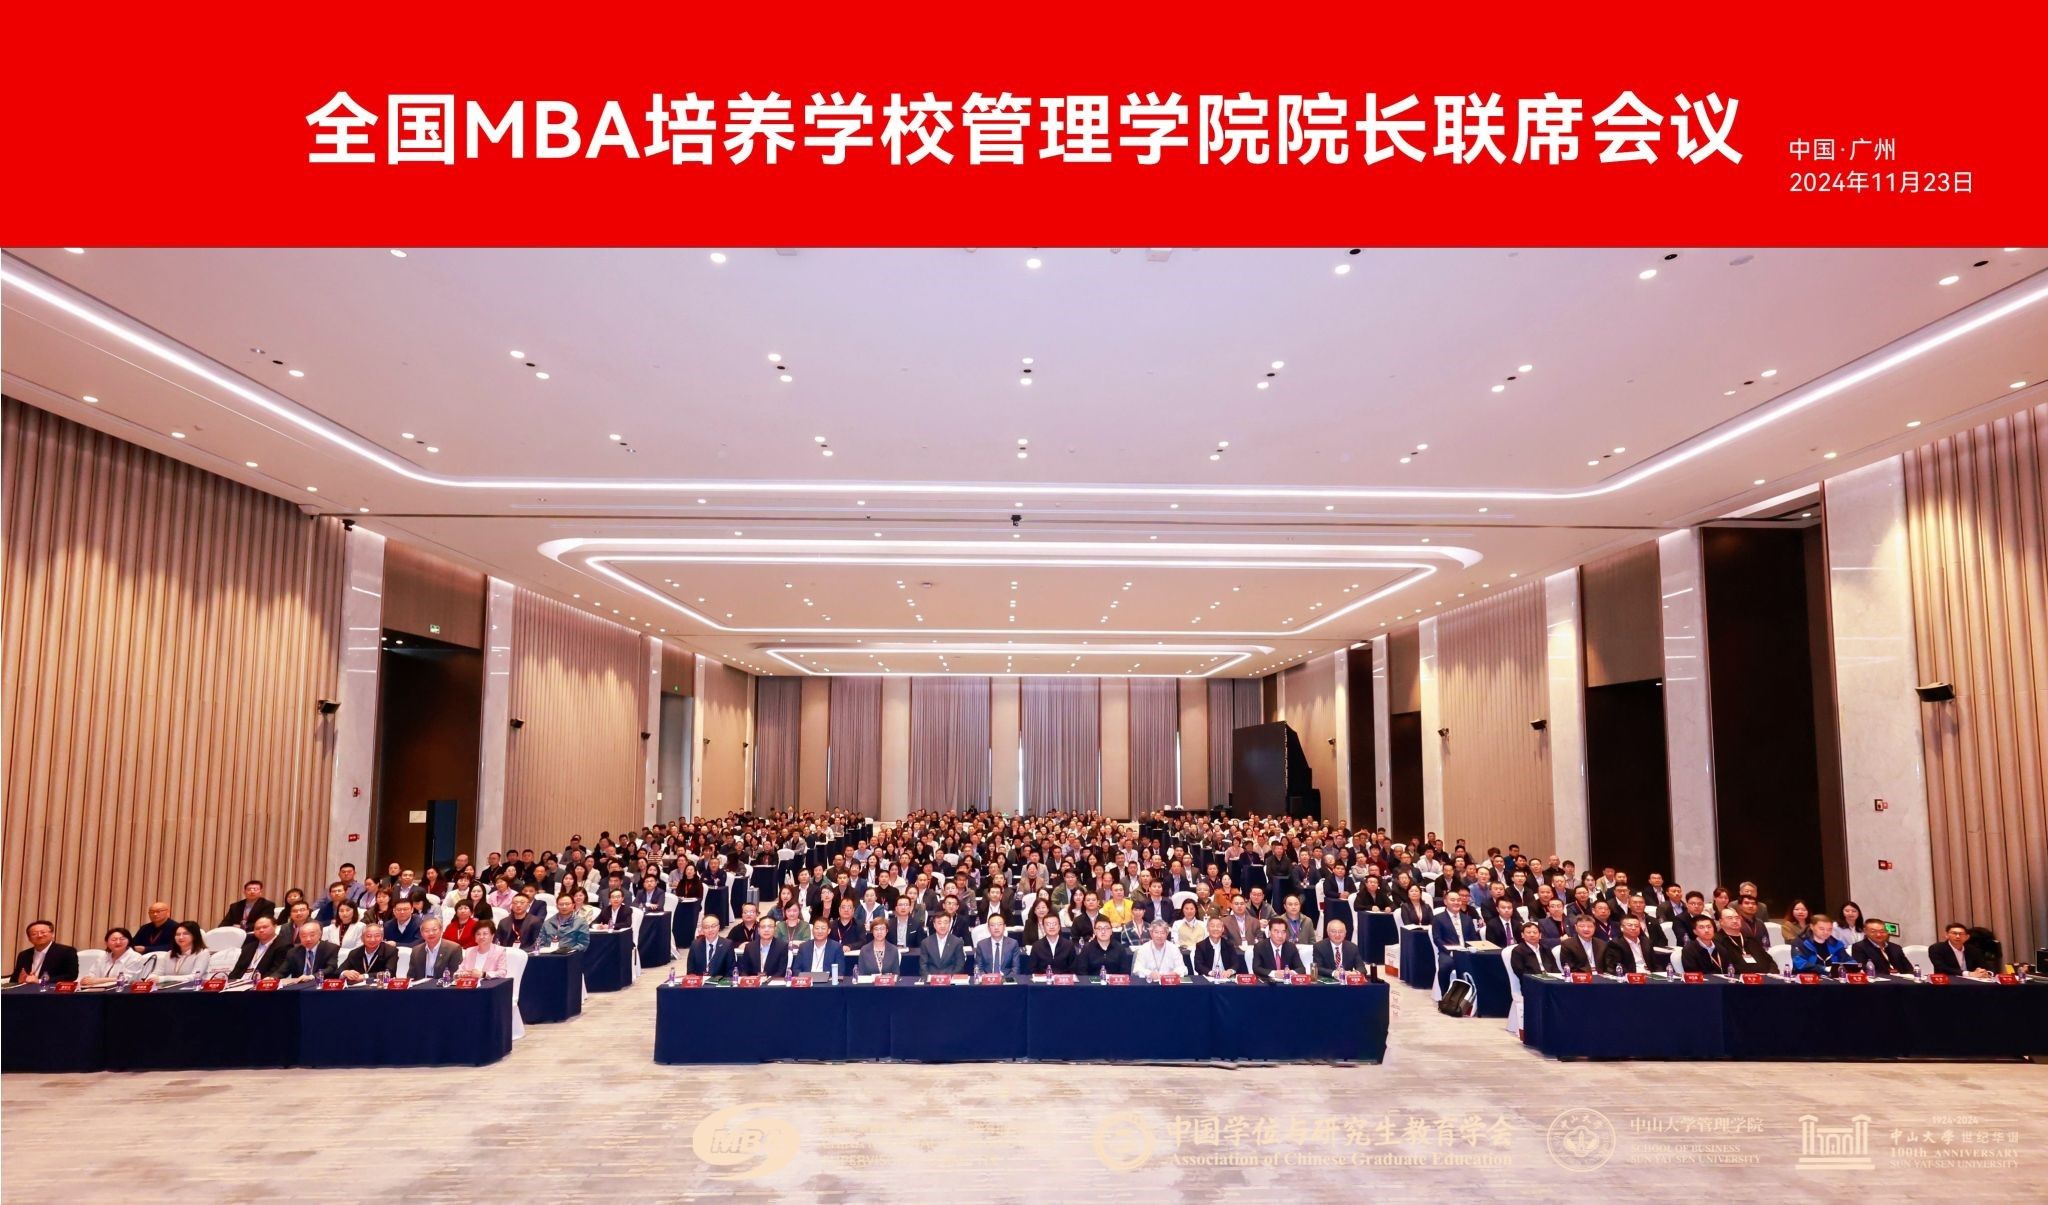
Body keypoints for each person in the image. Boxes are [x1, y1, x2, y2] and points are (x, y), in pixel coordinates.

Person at [1431, 889, 1480, 987]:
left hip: (1467, 951)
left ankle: (1473, 992)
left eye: (1458, 900)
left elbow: (1473, 937)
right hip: (1448, 952)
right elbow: (1437, 939)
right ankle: (1445, 994)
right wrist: (1450, 951)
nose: (1456, 902)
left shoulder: (1467, 918)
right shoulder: (1438, 918)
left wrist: (1476, 947)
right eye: (1452, 900)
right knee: (1445, 966)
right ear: (1445, 902)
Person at [1713, 908, 1778, 974]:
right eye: (1730, 918)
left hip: (1764, 978)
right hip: (1736, 978)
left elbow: (1770, 961)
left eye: (1737, 918)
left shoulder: (1750, 939)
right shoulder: (1717, 941)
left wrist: (1771, 975)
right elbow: (1724, 966)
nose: (1735, 921)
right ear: (1721, 921)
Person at [79, 927, 152, 986]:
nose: (118, 942)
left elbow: (126, 979)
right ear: (106, 943)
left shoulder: (135, 957)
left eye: (122, 939)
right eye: (113, 940)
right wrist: (87, 980)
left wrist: (98, 980)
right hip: (99, 992)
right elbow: (92, 974)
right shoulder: (104, 957)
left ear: (128, 941)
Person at [1600, 915, 1666, 974]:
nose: (1634, 928)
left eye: (1637, 926)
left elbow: (1655, 963)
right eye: (1630, 925)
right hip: (1631, 975)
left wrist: (1660, 974)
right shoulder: (1616, 944)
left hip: (1649, 974)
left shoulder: (1646, 942)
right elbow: (1615, 966)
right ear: (1622, 928)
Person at [1928, 921, 1996, 978]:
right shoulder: (1936, 949)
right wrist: (1969, 974)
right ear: (1946, 935)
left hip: (1972, 982)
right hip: (1948, 982)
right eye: (1954, 933)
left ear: (1967, 937)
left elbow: (1984, 966)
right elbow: (1942, 968)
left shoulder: (1973, 950)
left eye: (1961, 934)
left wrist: (1986, 973)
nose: (1958, 936)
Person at [1850, 918, 1914, 977]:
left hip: (1902, 981)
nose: (1879, 934)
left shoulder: (1896, 947)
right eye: (1873, 931)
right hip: (1879, 982)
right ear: (1865, 931)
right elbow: (1864, 970)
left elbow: (1909, 969)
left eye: (1882, 931)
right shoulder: (1859, 947)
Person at [1253, 917, 1307, 982]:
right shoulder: (1260, 947)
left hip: (1287, 984)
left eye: (1283, 932)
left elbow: (1301, 969)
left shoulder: (1291, 947)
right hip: (1268, 983)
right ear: (1269, 933)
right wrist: (1274, 973)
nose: (1280, 936)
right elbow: (1256, 968)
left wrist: (1291, 972)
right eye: (1276, 932)